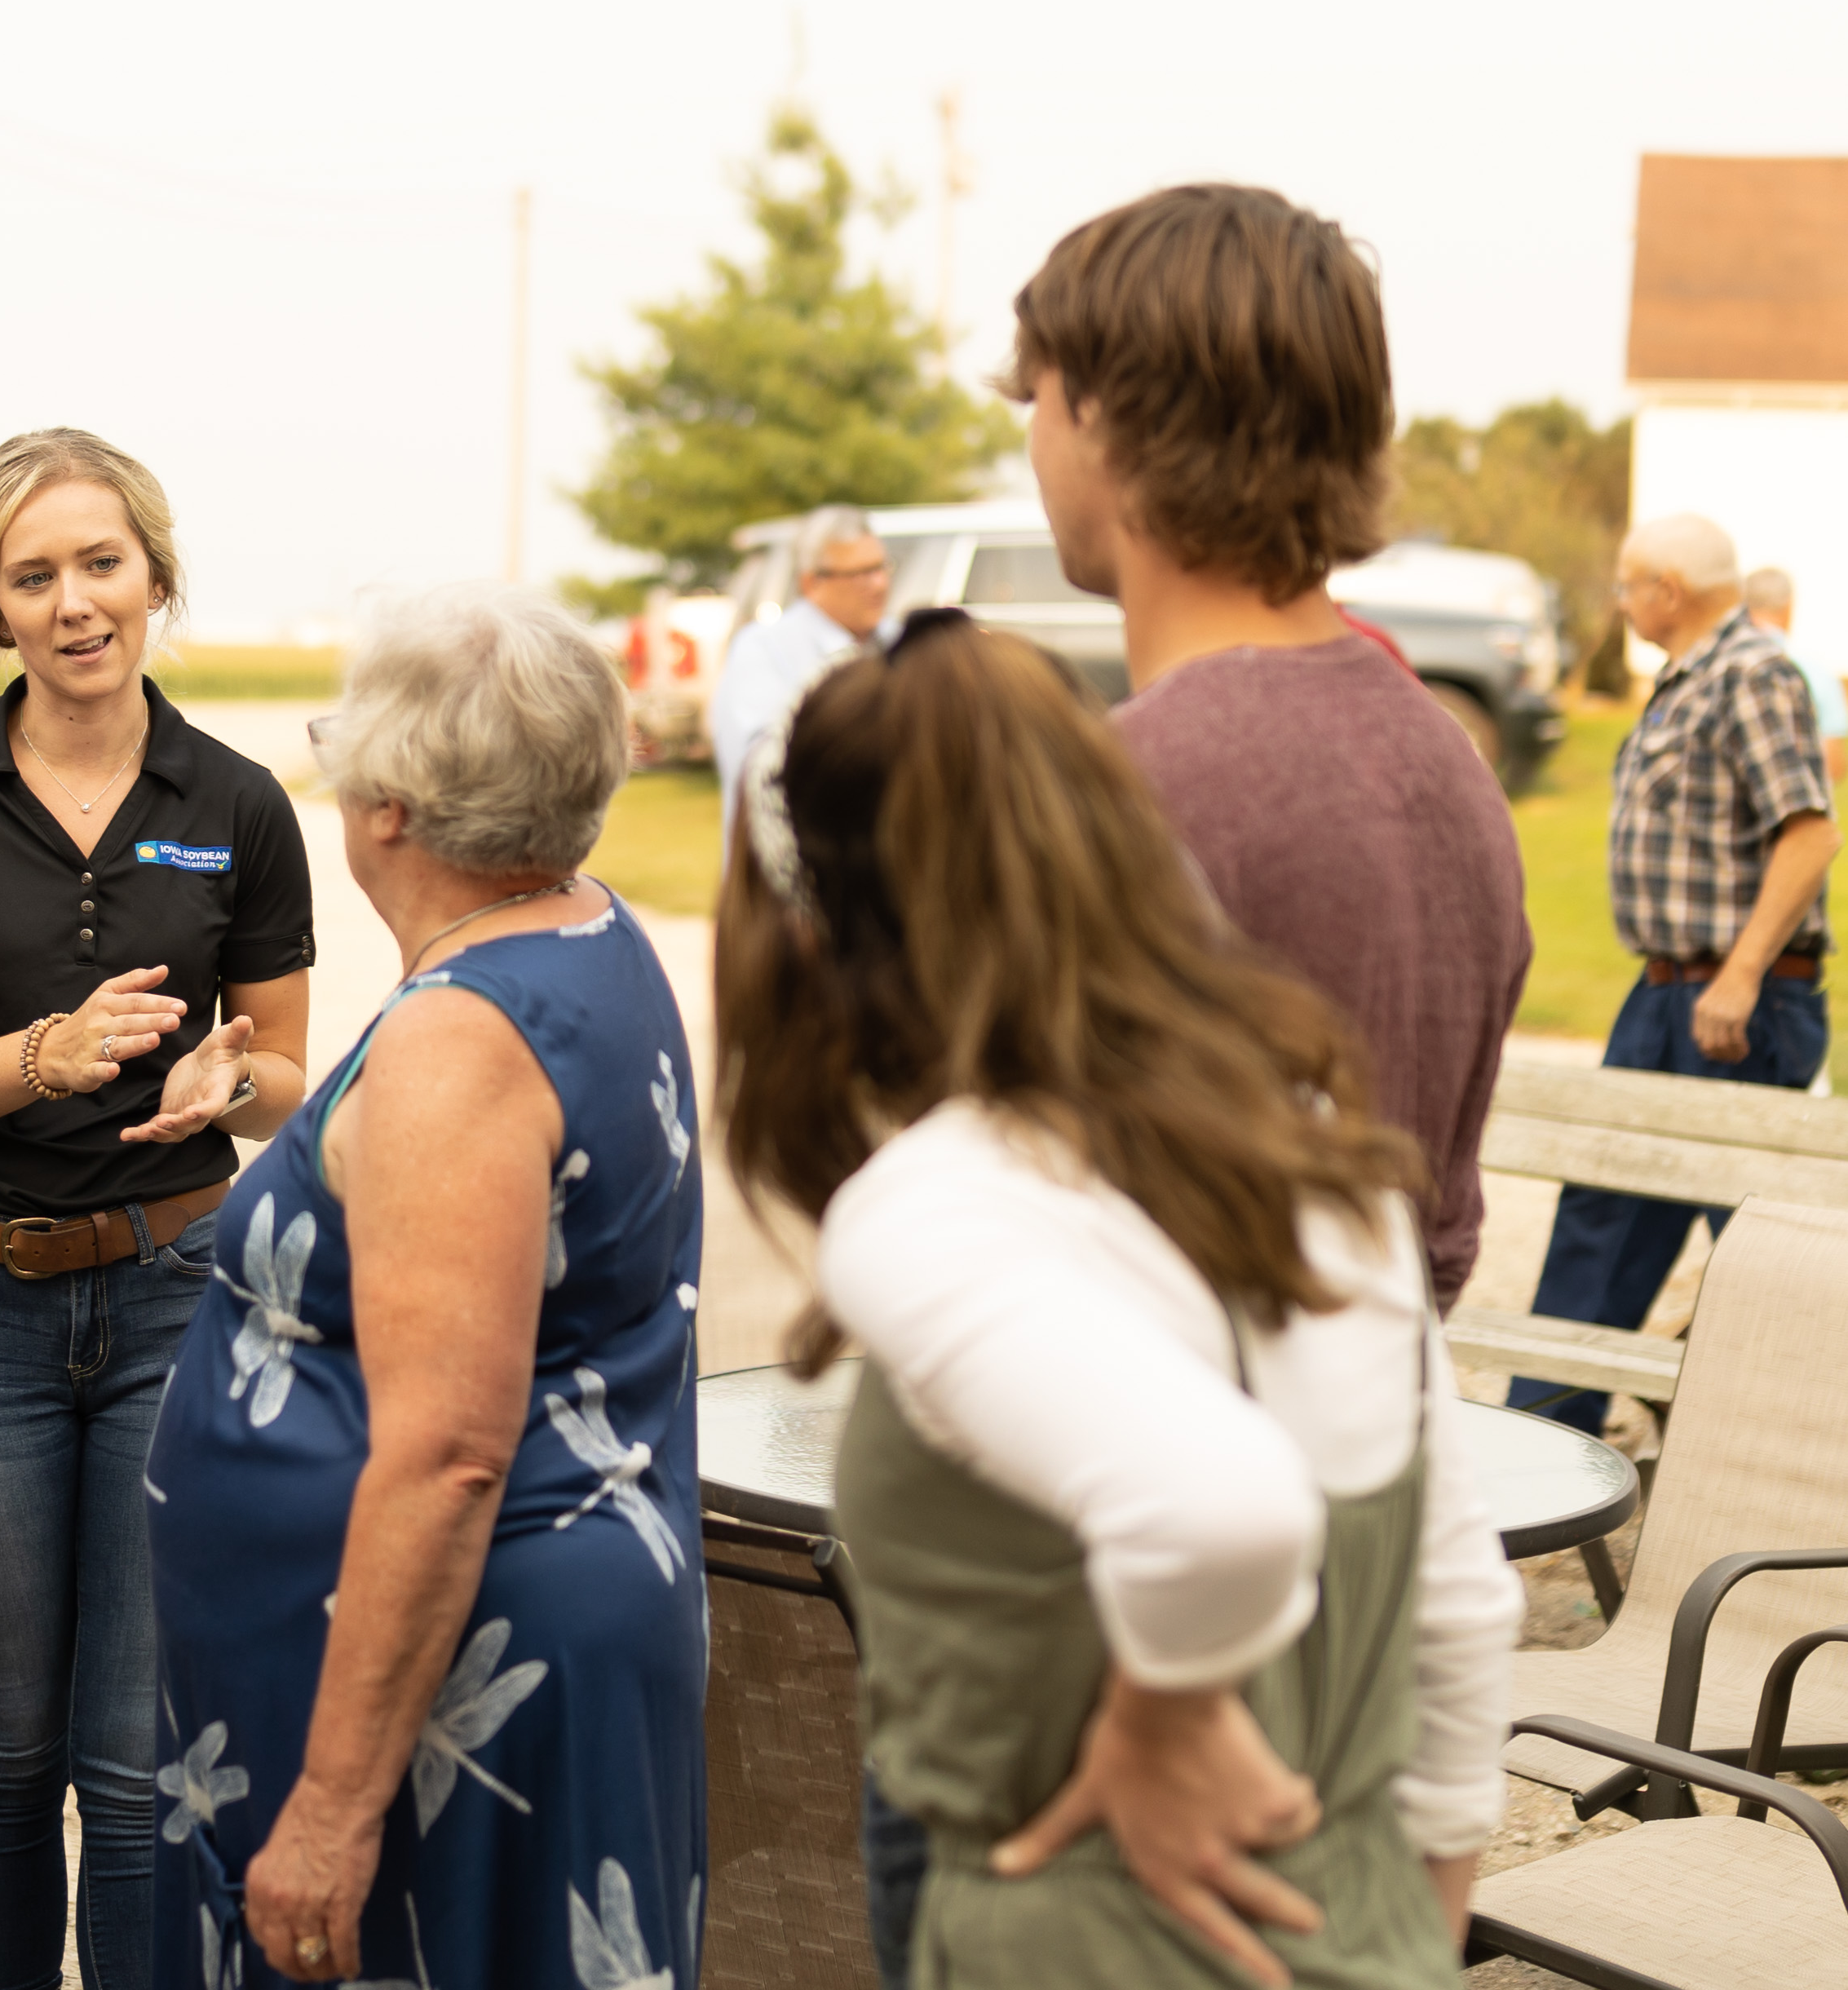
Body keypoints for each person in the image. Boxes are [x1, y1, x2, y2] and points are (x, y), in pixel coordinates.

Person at [720, 612, 1519, 1990]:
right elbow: (1456, 1594)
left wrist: (1164, 1712)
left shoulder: (940, 1201)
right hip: (1366, 1924)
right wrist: (1410, 1914)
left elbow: (1218, 1503)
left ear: (816, 916)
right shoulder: (1311, 1143)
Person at [145, 583, 707, 1990]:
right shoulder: (583, 928)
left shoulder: (460, 1039)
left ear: (388, 805)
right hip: (522, 1628)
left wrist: (333, 1805)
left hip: (455, 1692)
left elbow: (451, 1453)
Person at [0, 428, 313, 1989]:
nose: (73, 601)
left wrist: (232, 1084)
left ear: (156, 576)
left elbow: (293, 1071)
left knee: (138, 1756)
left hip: (177, 1291)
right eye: (32, 574)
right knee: (9, 1744)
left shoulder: (237, 802)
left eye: (100, 563)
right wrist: (39, 1057)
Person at [1005, 184, 1529, 1309]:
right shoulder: (1448, 764)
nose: (1031, 441)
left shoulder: (1130, 791)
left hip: (1153, 1452)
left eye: (1034, 397)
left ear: (1102, 414)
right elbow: (1437, 1223)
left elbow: (1037, 1248)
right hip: (1383, 1437)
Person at [1507, 514, 1835, 1433]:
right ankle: (1538, 1451)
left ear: (1666, 589)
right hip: (1663, 994)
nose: (1618, 602)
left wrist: (1735, 977)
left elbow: (1809, 834)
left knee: (1767, 1254)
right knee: (1602, 1210)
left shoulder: (1750, 673)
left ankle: (1795, 1465)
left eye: (1623, 585)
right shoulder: (1684, 680)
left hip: (1731, 1003)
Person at [710, 502, 890, 820]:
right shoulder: (764, 649)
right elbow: (761, 768)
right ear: (811, 583)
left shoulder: (896, 639)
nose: (879, 585)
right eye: (860, 574)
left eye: (880, 568)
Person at [1743, 565, 1848, 789]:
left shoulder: (1712, 667)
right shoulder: (1816, 674)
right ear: (1788, 605)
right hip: (1799, 811)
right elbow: (1833, 764)